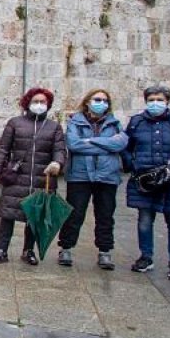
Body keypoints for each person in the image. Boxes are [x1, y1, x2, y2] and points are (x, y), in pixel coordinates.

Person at [124, 85, 170, 280]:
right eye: (151, 100)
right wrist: (132, 164)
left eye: (159, 100)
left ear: (167, 102)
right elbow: (126, 147)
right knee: (144, 220)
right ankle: (146, 256)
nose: (155, 103)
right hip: (145, 179)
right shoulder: (137, 123)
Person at [0, 88, 66, 265]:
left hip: (41, 178)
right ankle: (1, 250)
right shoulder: (15, 123)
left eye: (43, 102)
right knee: (8, 214)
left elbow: (60, 150)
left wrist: (57, 163)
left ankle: (28, 250)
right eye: (36, 101)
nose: (39, 105)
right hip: (16, 177)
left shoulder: (54, 127)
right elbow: (3, 150)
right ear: (28, 103)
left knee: (34, 216)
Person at [56, 89, 128, 270]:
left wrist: (90, 141)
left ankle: (105, 251)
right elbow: (74, 144)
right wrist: (106, 144)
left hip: (107, 175)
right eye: (97, 99)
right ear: (87, 101)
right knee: (74, 213)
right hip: (80, 175)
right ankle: (66, 247)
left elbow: (120, 144)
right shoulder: (75, 122)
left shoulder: (114, 123)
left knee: (105, 214)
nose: (101, 103)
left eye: (105, 100)